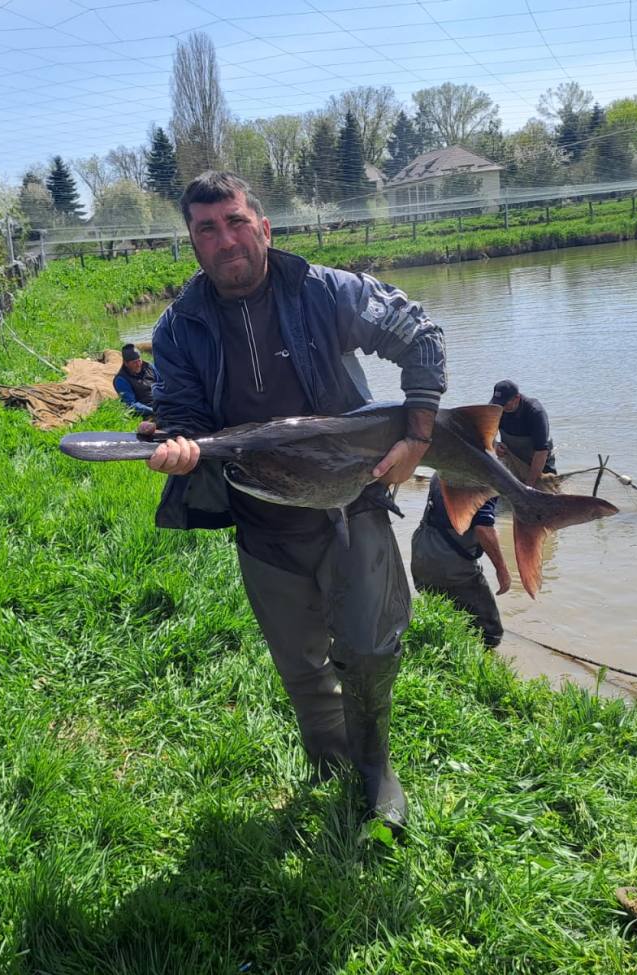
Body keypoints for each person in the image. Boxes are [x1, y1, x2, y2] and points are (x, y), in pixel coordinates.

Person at [144, 171, 446, 833]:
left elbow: (419, 334)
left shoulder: (323, 291)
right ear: (192, 244)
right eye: (206, 229)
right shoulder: (178, 328)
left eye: (235, 221)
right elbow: (181, 413)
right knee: (300, 663)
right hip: (261, 515)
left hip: (350, 500)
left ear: (264, 226)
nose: (225, 239)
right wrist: (180, 445)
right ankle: (328, 762)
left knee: (368, 649)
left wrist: (419, 431)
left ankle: (375, 769)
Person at [410, 474, 510, 648]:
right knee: (490, 632)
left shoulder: (443, 467)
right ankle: (474, 666)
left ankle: (436, 650)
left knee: (441, 614)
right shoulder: (484, 475)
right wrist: (502, 570)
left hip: (422, 551)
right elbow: (483, 528)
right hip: (450, 562)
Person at [491, 379, 557, 486]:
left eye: (505, 403)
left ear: (517, 398)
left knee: (546, 492)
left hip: (539, 458)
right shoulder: (495, 406)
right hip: (513, 457)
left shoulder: (535, 412)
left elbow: (541, 451)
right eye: (499, 403)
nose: (501, 407)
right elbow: (487, 432)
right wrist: (495, 445)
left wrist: (530, 483)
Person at [112, 342, 158, 417]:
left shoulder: (149, 367)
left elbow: (163, 384)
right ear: (126, 363)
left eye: (139, 361)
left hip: (161, 403)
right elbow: (131, 404)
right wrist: (152, 411)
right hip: (147, 409)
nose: (138, 365)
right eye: (134, 363)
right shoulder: (121, 380)